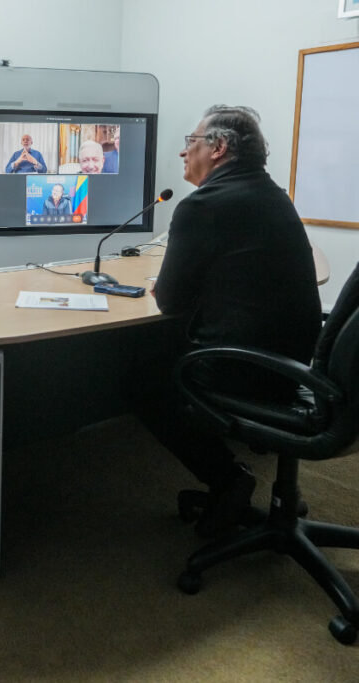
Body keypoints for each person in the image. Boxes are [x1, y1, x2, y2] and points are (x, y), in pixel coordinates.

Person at [142, 105, 322, 537]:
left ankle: (227, 479)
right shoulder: (273, 194)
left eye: (191, 142)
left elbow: (168, 301)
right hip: (297, 367)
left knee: (139, 371)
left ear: (218, 148)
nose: (184, 154)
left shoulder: (202, 205)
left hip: (246, 371)